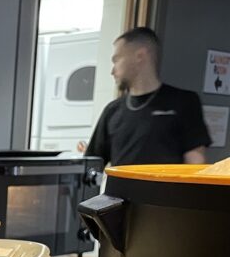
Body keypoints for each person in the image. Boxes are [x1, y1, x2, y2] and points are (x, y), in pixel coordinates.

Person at [81, 27, 210, 167]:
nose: (112, 70)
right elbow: (91, 166)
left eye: (117, 60)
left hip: (165, 182)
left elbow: (195, 164)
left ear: (140, 56)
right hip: (118, 183)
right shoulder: (112, 111)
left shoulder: (184, 102)